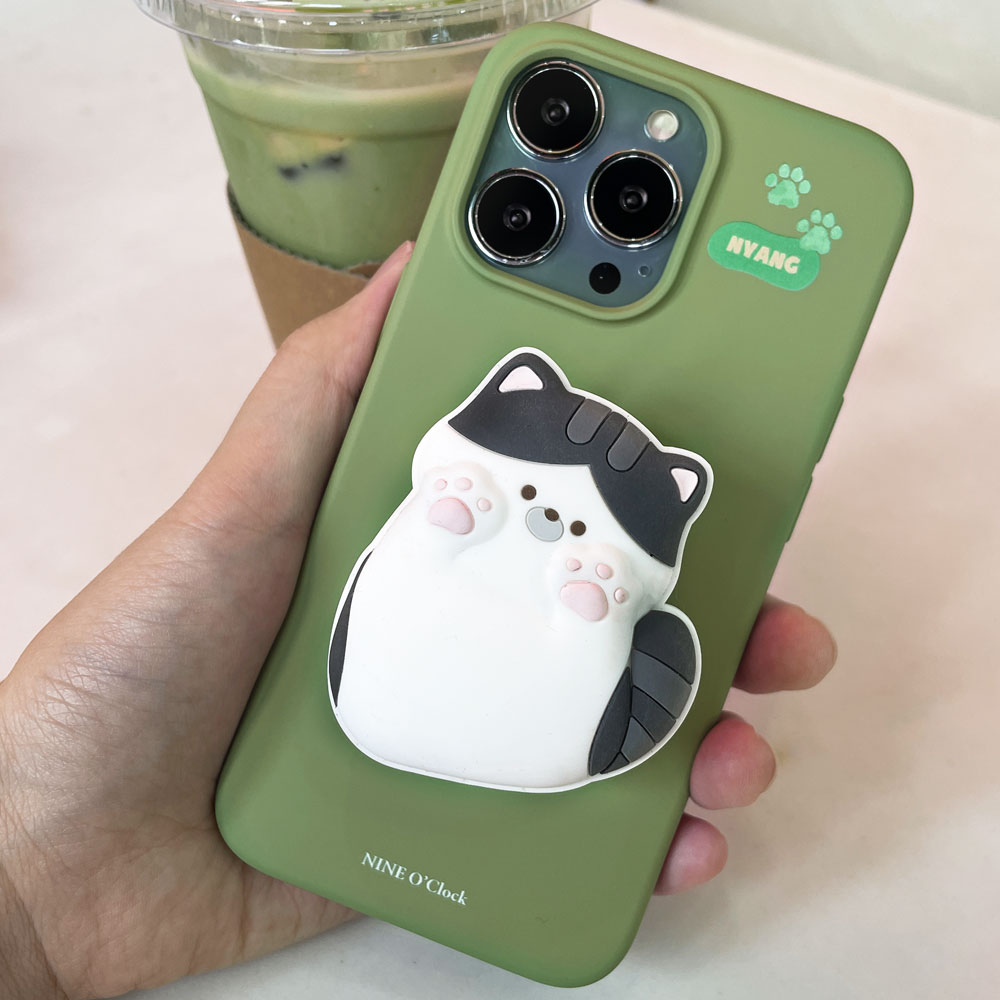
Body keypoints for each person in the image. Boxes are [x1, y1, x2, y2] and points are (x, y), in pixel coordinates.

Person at [0, 242, 837, 999]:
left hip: (547, 720)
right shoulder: (454, 489)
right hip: (399, 683)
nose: (546, 521)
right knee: (418, 570)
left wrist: (32, 905)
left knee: (605, 638)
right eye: (532, 493)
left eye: (578, 523)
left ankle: (588, 632)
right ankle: (584, 627)